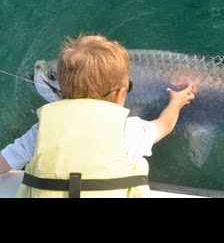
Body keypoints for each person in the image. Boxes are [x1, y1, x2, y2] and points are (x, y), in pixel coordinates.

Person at [0, 34, 195, 197]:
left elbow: (5, 162)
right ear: (120, 93)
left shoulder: (41, 131)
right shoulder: (129, 131)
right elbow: (164, 125)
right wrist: (176, 102)